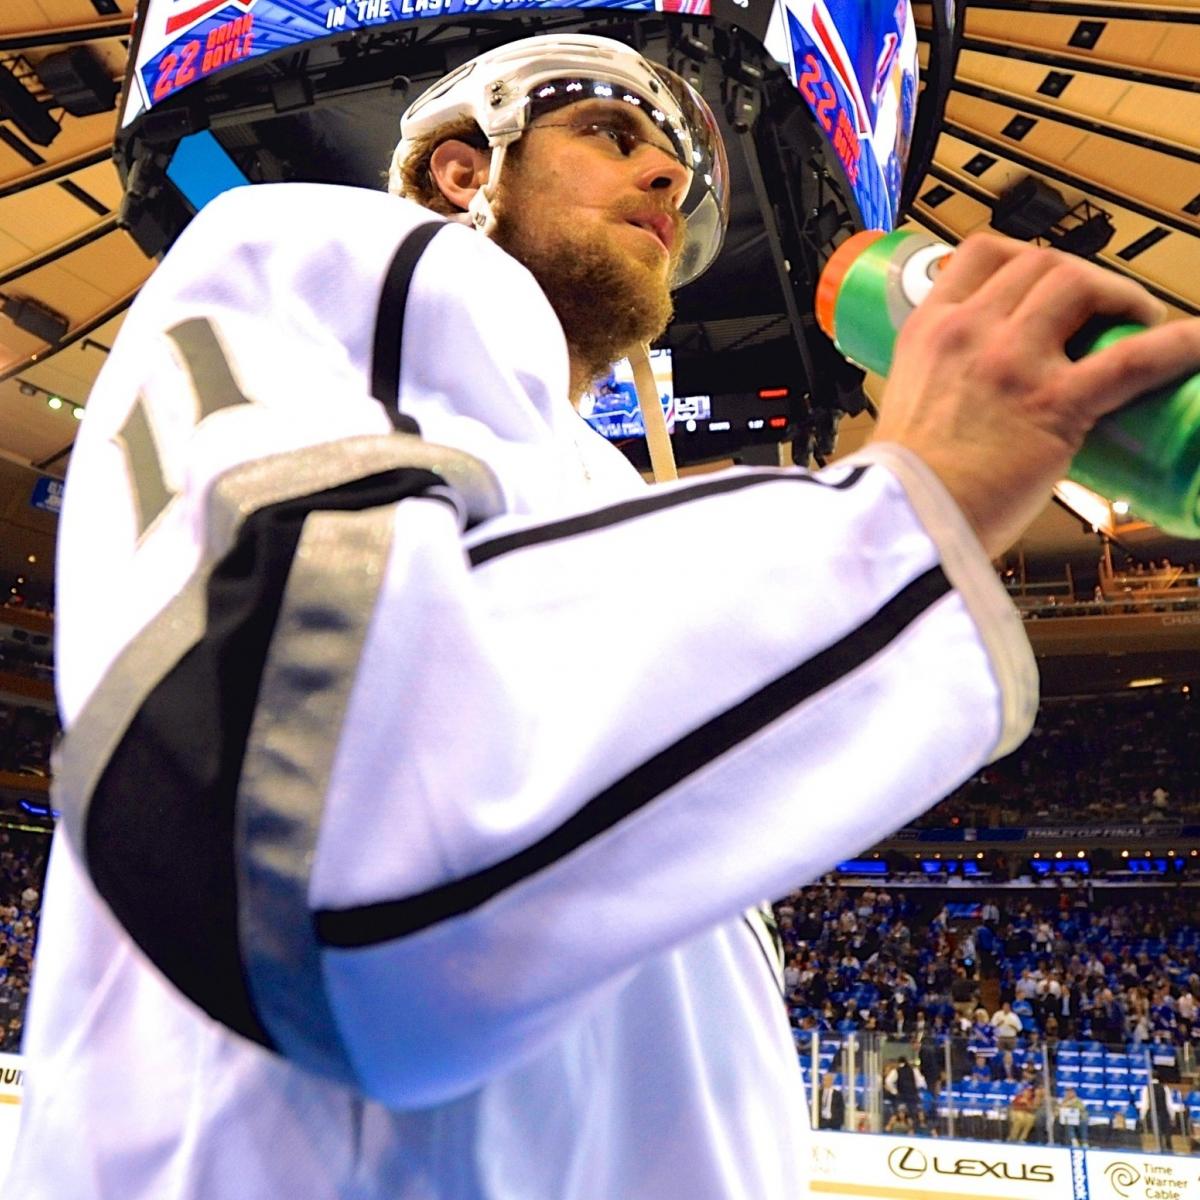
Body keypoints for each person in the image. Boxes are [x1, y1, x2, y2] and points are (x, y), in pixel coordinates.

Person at [11, 28, 1200, 1200]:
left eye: (672, 163)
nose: (668, 177)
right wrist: (910, 502)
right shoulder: (309, 254)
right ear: (464, 168)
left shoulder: (595, 489)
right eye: (610, 130)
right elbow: (335, 843)